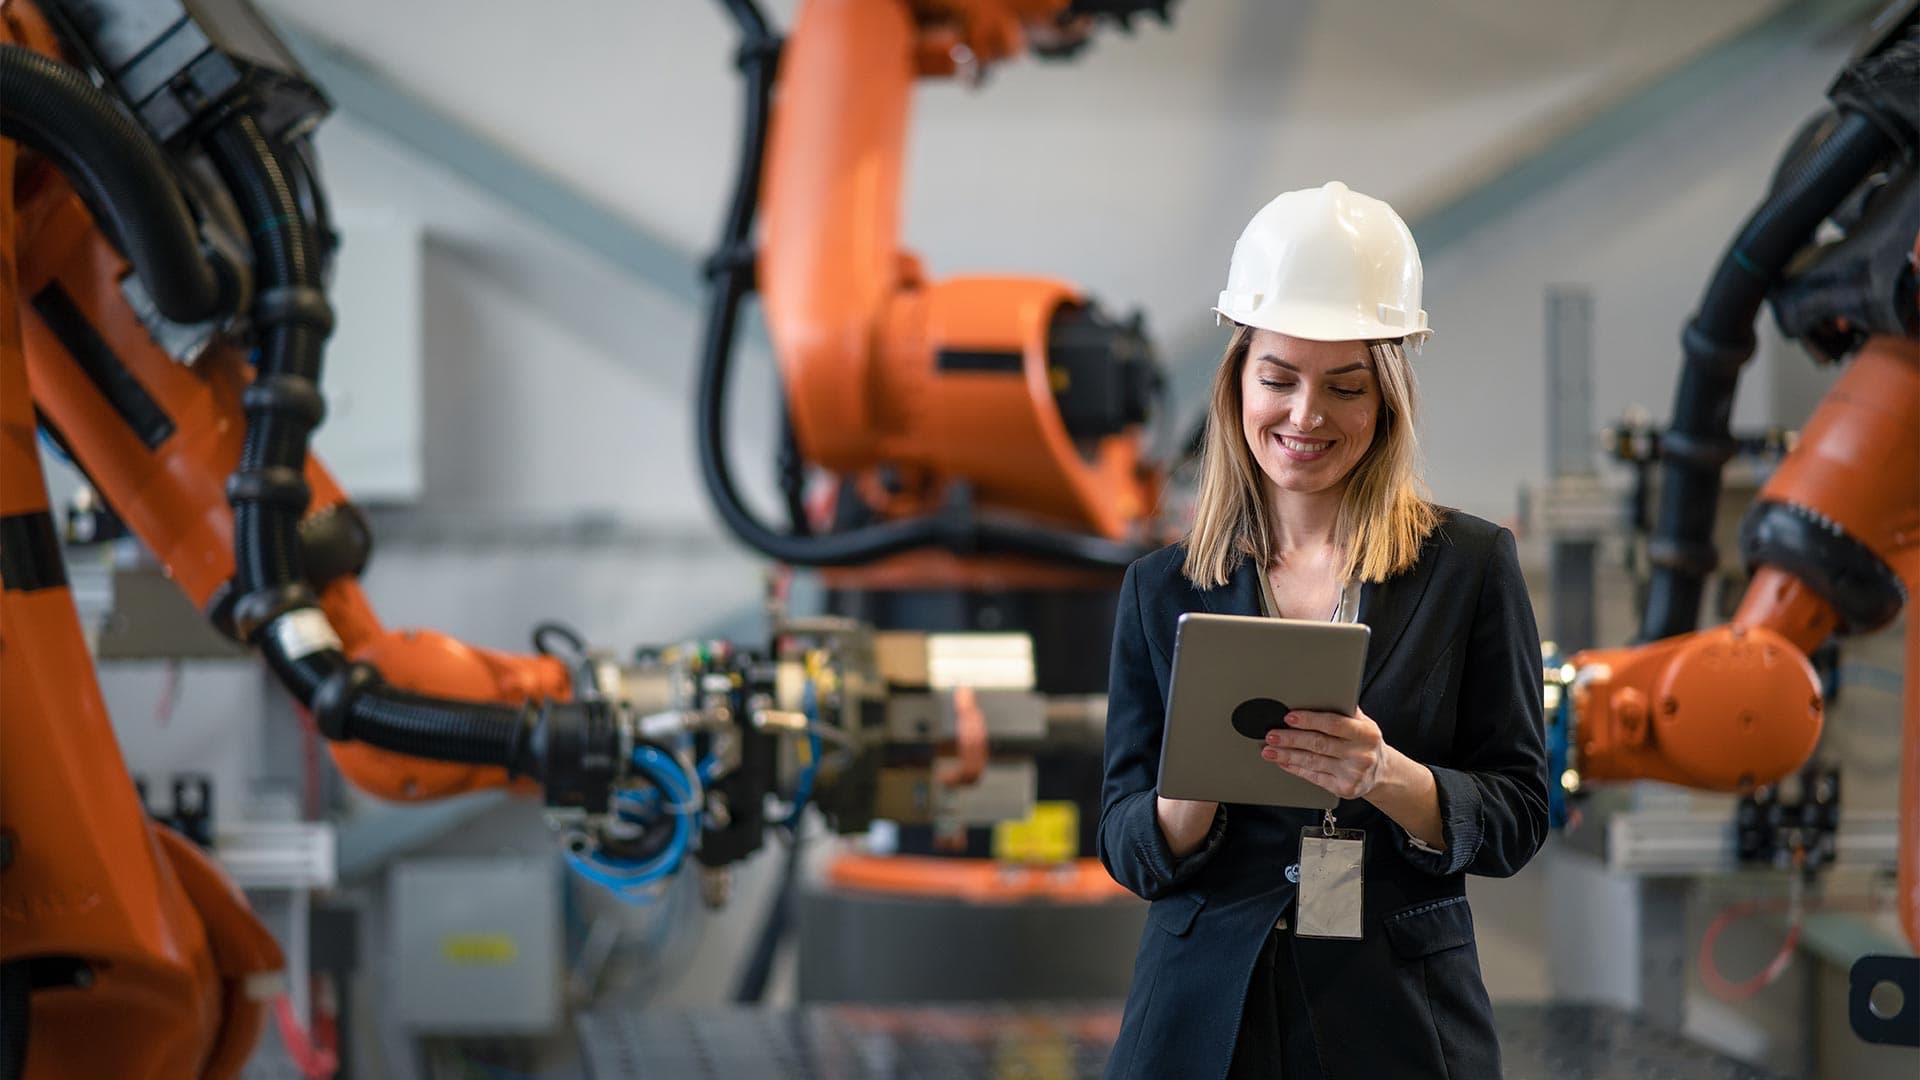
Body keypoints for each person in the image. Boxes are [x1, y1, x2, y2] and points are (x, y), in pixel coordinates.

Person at [1097, 181, 1549, 1079]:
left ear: (1385, 401)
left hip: (1394, 1018)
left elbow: (1520, 811)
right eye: (1279, 379)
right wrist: (1186, 804)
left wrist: (1389, 777)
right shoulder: (1161, 589)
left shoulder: (1468, 567)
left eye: (1344, 387)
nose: (1305, 416)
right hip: (1199, 1019)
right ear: (1237, 386)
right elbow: (1121, 836)